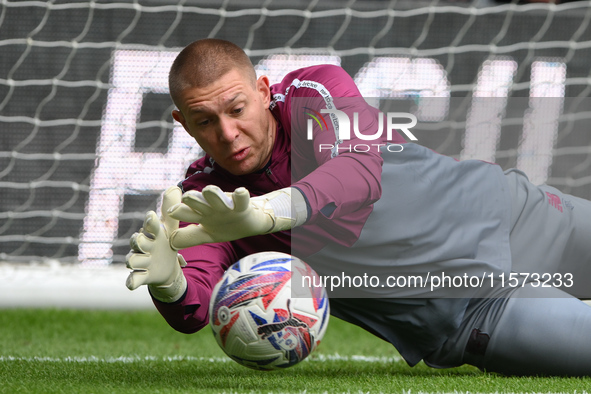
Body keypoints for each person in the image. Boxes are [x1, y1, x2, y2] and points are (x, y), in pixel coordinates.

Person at [125, 38, 591, 376]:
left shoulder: (314, 91)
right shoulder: (207, 199)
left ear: (264, 91)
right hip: (467, 312)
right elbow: (195, 307)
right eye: (206, 121)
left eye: (237, 108)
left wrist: (269, 212)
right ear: (183, 125)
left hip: (514, 216)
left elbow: (357, 171)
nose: (228, 133)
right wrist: (170, 282)